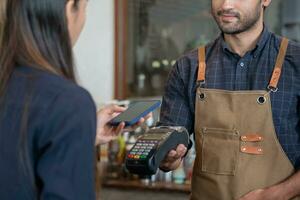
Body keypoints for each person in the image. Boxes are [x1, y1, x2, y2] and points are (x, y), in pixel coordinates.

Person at [0, 0, 147, 199]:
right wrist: (73, 124)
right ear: (70, 9)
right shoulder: (68, 102)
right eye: (85, 8)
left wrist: (82, 133)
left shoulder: (8, 85)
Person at [159, 0, 300, 199]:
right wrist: (167, 157)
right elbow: (170, 150)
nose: (226, 4)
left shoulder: (296, 63)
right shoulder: (187, 68)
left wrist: (274, 195)